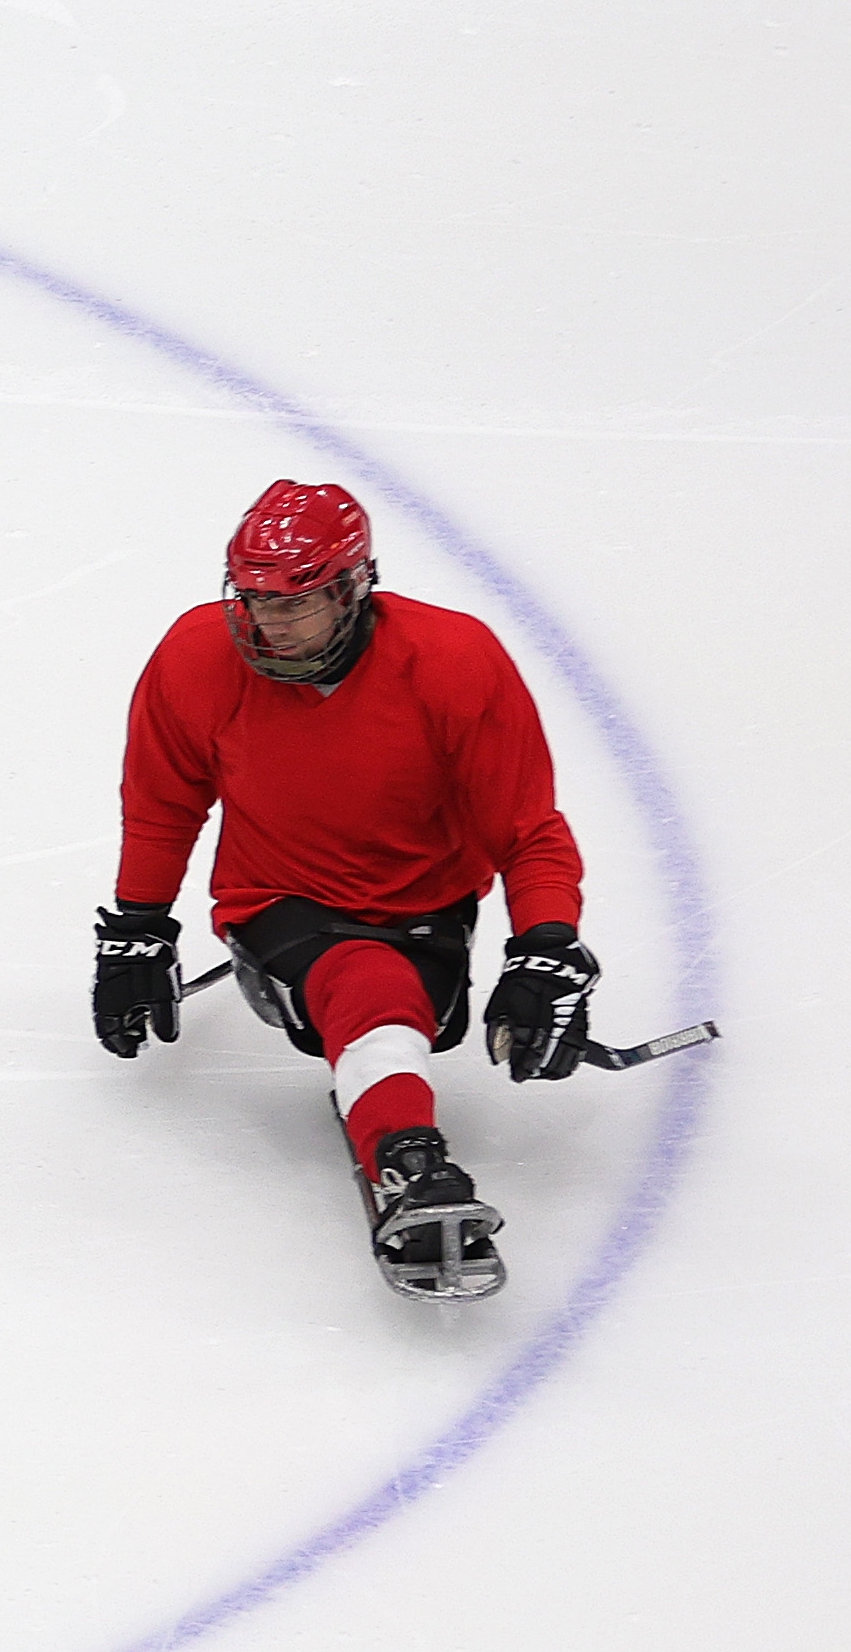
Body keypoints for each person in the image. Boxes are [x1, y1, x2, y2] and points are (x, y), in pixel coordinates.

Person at [89, 481, 602, 1301]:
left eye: (294, 603)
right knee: (373, 993)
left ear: (353, 586)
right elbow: (162, 804)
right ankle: (411, 1162)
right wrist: (137, 927)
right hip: (275, 897)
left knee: (397, 997)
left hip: (427, 904)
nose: (268, 625)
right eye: (253, 600)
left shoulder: (456, 662)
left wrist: (545, 948)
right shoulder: (195, 655)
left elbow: (528, 829)